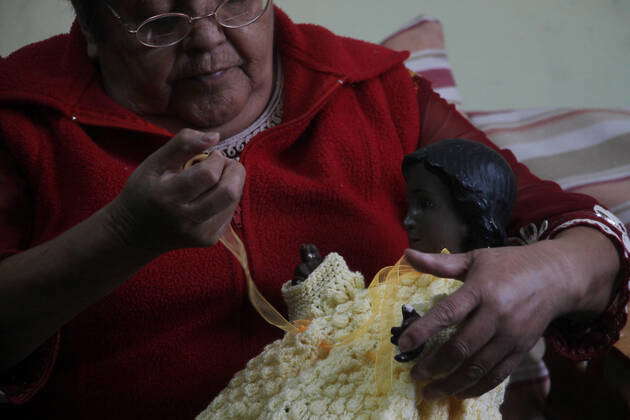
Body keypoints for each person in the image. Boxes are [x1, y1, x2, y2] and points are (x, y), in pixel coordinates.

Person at [0, 1, 627, 419]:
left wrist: (550, 274)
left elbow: (573, 226)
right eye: (161, 23)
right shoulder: (24, 122)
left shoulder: (371, 92)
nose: (208, 40)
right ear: (90, 26)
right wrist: (122, 235)